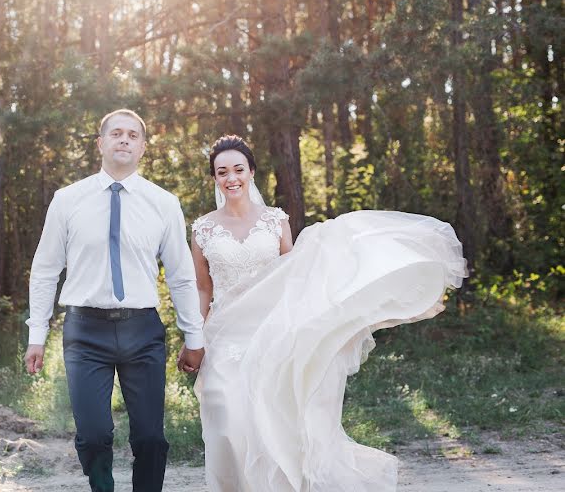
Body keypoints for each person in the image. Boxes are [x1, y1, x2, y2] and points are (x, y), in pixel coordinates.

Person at [187, 135, 467, 492]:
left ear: (251, 172)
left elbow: (295, 275)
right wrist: (194, 338)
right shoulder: (203, 229)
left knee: (271, 426)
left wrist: (322, 321)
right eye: (222, 172)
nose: (231, 178)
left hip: (273, 334)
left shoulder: (275, 221)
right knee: (226, 423)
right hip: (224, 340)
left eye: (238, 169)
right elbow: (203, 289)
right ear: (214, 178)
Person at [24, 109, 205, 492]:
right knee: (92, 436)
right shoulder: (67, 200)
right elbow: (45, 269)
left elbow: (181, 275)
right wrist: (36, 335)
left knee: (151, 439)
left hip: (142, 330)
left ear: (142, 148)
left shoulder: (164, 203)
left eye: (133, 135)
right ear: (101, 143)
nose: (124, 139)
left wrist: (195, 338)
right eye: (116, 133)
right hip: (85, 331)